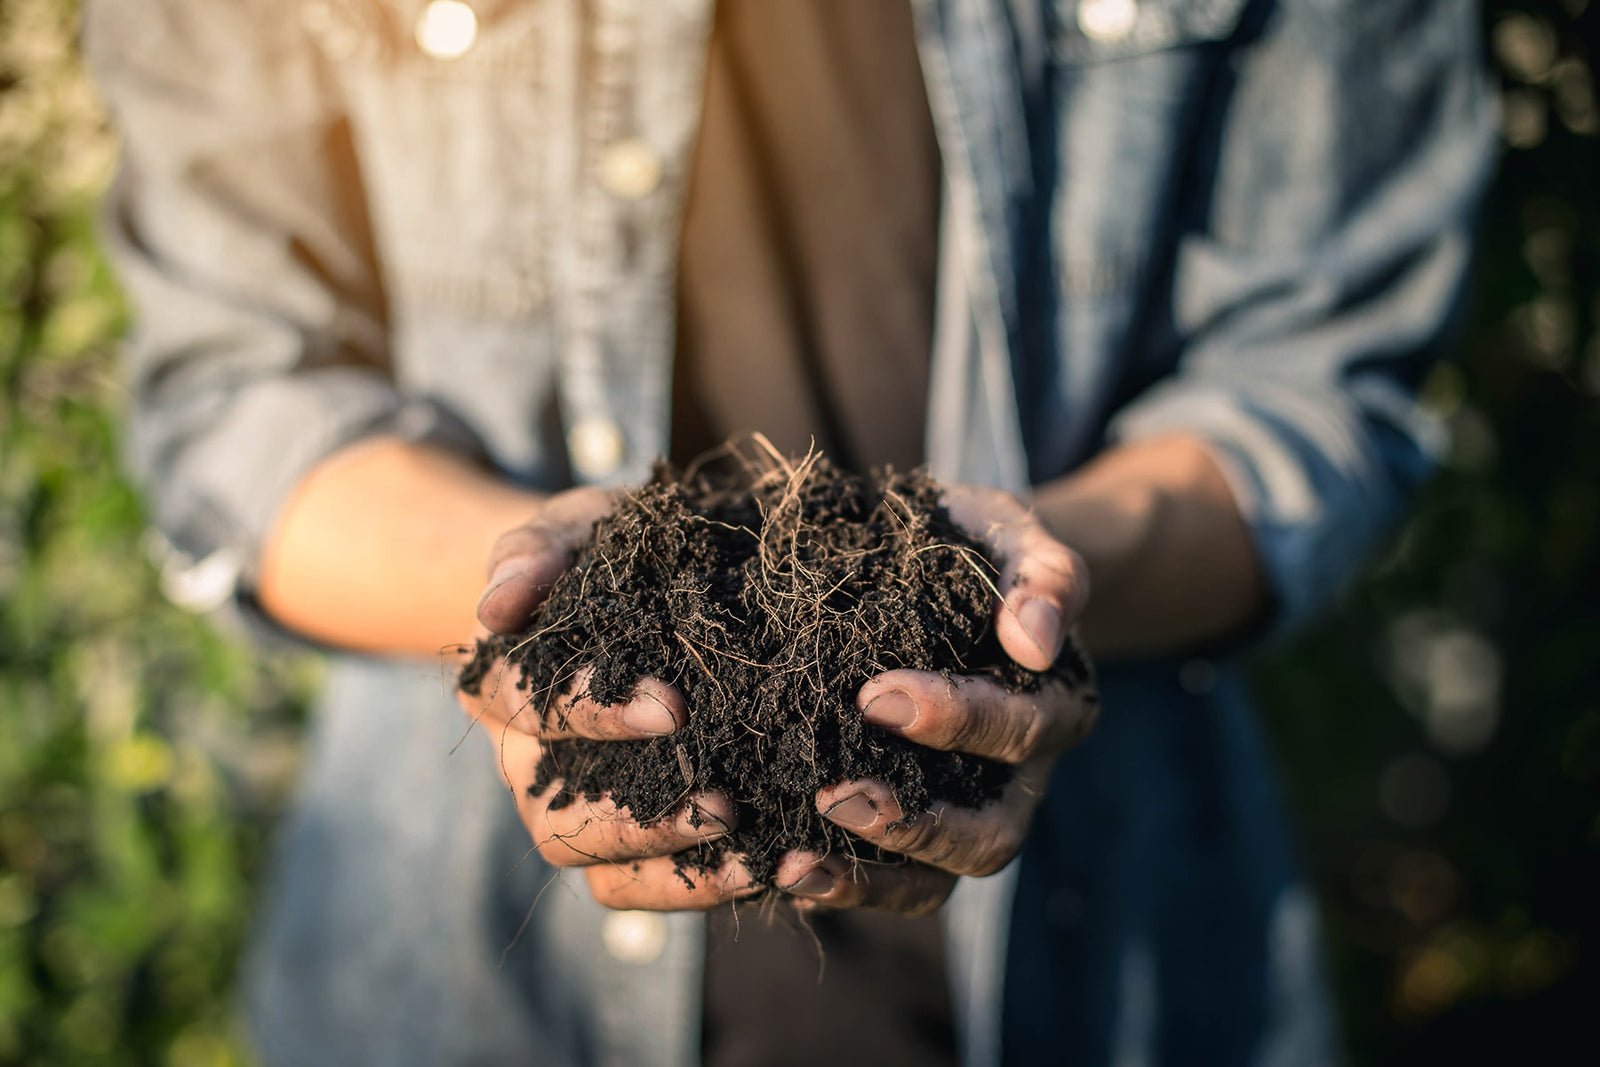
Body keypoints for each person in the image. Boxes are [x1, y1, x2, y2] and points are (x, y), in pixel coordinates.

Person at [85, 0, 1496, 1064]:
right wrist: (518, 598)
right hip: (472, 988)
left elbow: (1316, 388)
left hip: (1107, 962)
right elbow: (236, 401)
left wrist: (1042, 589)